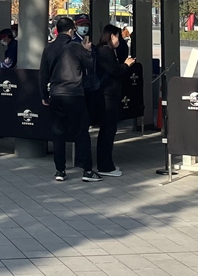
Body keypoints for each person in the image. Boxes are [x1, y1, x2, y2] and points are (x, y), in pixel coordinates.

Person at [40, 16, 100, 183]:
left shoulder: (49, 48)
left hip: (56, 94)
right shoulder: (75, 47)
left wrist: (44, 96)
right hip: (74, 94)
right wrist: (87, 51)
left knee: (58, 133)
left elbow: (43, 74)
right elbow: (90, 66)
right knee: (81, 132)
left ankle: (60, 170)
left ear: (57, 30)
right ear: (72, 30)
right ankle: (87, 170)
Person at [88, 25, 136, 177]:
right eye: (118, 37)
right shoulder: (105, 51)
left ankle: (106, 163)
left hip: (106, 94)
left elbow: (121, 52)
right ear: (111, 36)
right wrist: (126, 65)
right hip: (108, 95)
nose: (119, 41)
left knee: (108, 130)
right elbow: (114, 71)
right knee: (108, 130)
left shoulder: (104, 50)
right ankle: (105, 165)